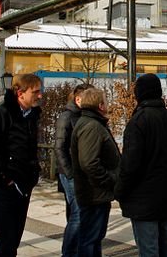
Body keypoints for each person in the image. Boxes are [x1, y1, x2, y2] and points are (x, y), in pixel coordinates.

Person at [115, 73, 167, 257]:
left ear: (139, 95)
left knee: (149, 251)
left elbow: (130, 165)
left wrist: (119, 192)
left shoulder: (138, 122)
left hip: (143, 202)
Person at [0, 73, 42, 256]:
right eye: (35, 91)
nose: (40, 95)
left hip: (23, 186)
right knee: (6, 242)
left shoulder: (31, 116)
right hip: (2, 187)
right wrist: (5, 179)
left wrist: (32, 175)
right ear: (20, 93)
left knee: (13, 240)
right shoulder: (0, 114)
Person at [71, 88, 120, 257]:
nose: (108, 104)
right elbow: (89, 163)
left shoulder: (91, 123)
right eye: (106, 101)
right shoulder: (91, 126)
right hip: (94, 194)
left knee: (94, 238)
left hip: (96, 193)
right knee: (90, 238)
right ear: (100, 105)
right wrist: (110, 179)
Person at [55, 83, 93, 257]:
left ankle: (77, 248)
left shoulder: (85, 116)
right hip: (71, 174)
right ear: (78, 99)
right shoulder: (67, 116)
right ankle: (69, 252)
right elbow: (59, 147)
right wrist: (70, 174)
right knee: (78, 213)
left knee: (76, 213)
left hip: (83, 173)